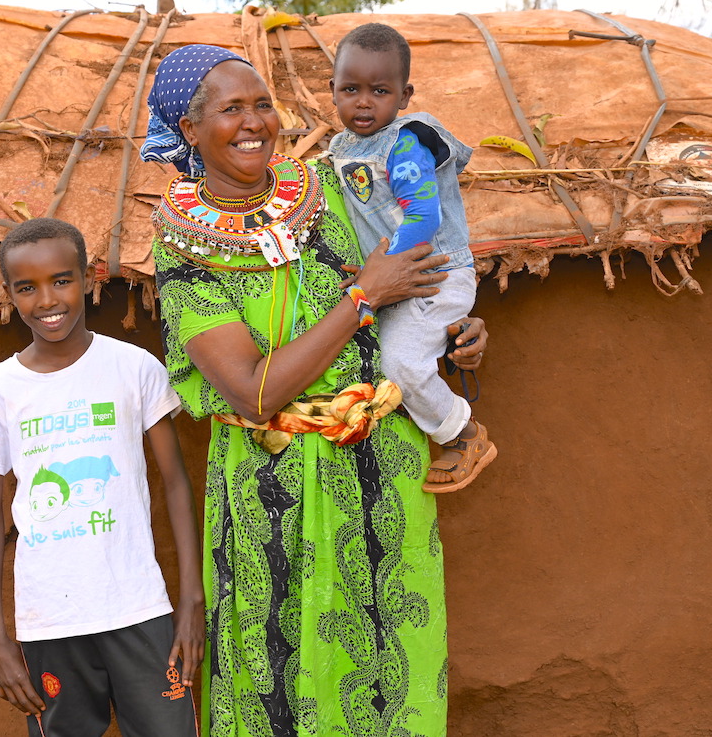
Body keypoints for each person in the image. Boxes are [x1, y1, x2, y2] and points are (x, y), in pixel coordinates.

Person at [140, 44, 487, 737]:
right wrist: (363, 297)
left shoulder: (325, 185)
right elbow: (249, 392)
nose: (254, 122)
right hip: (270, 492)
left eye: (263, 104)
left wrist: (453, 324)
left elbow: (409, 268)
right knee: (277, 676)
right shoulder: (181, 244)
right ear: (189, 129)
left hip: (381, 473)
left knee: (392, 672)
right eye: (230, 109)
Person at [0, 218, 204, 737]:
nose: (47, 299)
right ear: (10, 295)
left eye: (61, 280)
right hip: (50, 622)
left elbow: (175, 484)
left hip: (139, 610)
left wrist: (190, 601)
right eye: (26, 287)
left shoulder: (134, 368)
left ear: (88, 278)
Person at [328, 22, 496, 494]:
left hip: (433, 274)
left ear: (405, 96)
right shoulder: (342, 148)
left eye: (380, 90)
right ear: (333, 90)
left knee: (399, 362)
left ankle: (463, 435)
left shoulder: (404, 143)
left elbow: (422, 217)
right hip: (400, 279)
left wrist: (371, 275)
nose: (364, 102)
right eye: (351, 89)